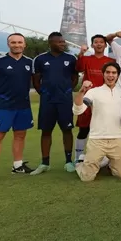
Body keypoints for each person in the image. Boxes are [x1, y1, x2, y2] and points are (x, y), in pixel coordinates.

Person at [0, 33, 35, 181]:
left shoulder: (29, 62)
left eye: (20, 42)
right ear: (8, 44)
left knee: (20, 135)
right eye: (13, 42)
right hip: (3, 107)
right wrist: (0, 99)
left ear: (24, 45)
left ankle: (17, 165)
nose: (17, 45)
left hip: (23, 106)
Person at [30, 32, 78, 175]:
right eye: (60, 42)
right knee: (46, 131)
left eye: (64, 42)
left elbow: (74, 78)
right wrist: (44, 93)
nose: (63, 44)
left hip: (64, 101)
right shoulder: (40, 59)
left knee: (67, 130)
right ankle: (45, 163)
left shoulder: (71, 59)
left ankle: (69, 161)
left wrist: (67, 90)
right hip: (48, 101)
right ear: (51, 43)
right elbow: (36, 80)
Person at [72, 62, 121, 181]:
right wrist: (82, 91)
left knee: (119, 174)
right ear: (103, 74)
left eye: (114, 73)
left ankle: (105, 160)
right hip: (97, 139)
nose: (110, 75)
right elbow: (78, 110)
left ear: (118, 75)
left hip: (117, 139)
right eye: (108, 72)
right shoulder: (94, 92)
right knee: (87, 178)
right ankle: (80, 163)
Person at [74, 34, 115, 162]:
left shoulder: (111, 61)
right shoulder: (86, 59)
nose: (98, 44)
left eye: (101, 42)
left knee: (103, 129)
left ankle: (104, 158)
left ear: (105, 44)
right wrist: (81, 53)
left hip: (104, 100)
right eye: (95, 42)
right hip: (88, 99)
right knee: (84, 129)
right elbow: (78, 68)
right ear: (92, 45)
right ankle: (78, 158)